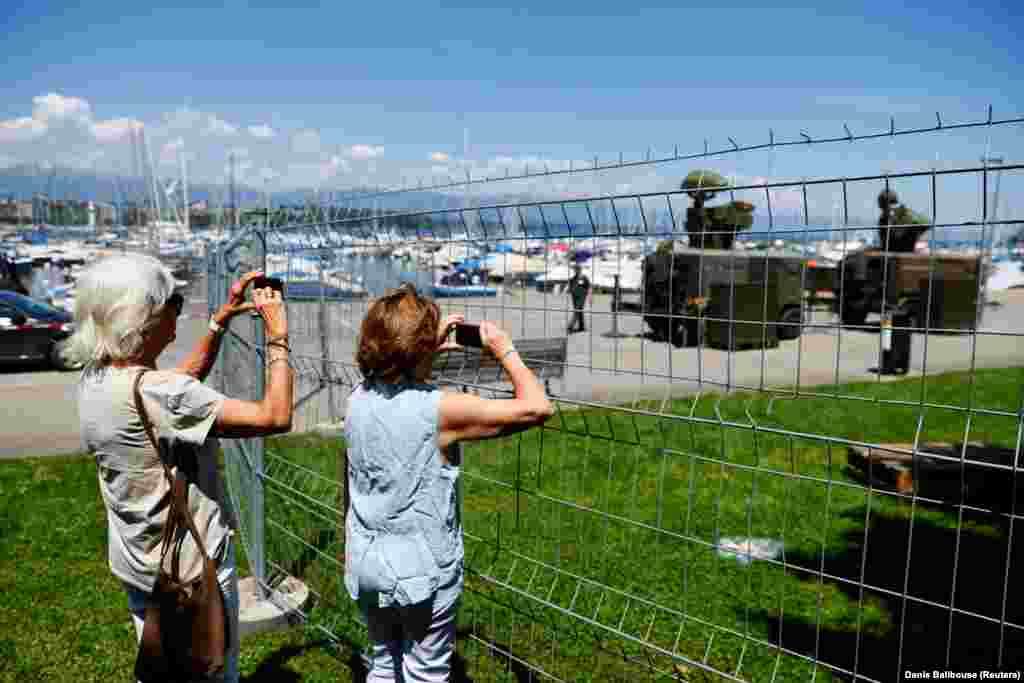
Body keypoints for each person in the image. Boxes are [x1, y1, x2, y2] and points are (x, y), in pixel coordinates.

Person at [67, 254, 293, 683]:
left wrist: (218, 323)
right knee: (210, 671)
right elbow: (274, 416)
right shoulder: (160, 393)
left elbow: (177, 388)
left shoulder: (97, 379)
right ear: (142, 316)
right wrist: (279, 337)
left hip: (141, 562)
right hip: (193, 571)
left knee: (162, 665)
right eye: (172, 300)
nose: (179, 308)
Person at [345, 283, 554, 682]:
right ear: (419, 349)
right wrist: (504, 350)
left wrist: (422, 351)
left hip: (366, 559)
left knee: (383, 666)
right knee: (426, 672)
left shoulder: (357, 398)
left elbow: (397, 385)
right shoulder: (440, 409)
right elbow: (537, 406)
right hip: (423, 571)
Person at [566, 263, 591, 334]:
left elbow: (588, 286)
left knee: (577, 310)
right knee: (579, 311)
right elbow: (570, 287)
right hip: (574, 297)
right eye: (575, 269)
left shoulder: (584, 277)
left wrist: (589, 296)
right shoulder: (573, 278)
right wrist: (569, 290)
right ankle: (582, 327)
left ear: (580, 270)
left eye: (577, 269)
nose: (576, 270)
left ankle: (570, 326)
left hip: (582, 297)